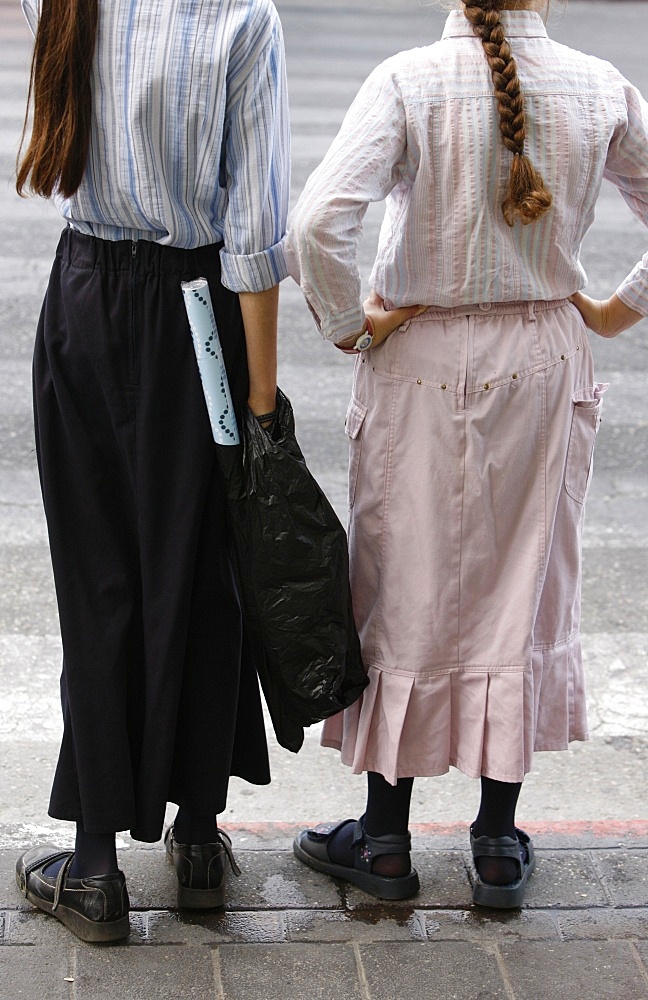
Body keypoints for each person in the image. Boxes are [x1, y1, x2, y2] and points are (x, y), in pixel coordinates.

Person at [286, 0, 647, 907]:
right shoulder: (600, 85)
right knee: (521, 587)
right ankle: (494, 842)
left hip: (421, 356)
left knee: (400, 585)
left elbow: (318, 220)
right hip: (542, 358)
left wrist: (344, 324)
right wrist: (613, 308)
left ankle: (383, 842)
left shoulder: (409, 79)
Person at [14, 0, 290, 941]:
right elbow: (254, 236)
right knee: (202, 574)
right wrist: (262, 407)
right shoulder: (244, 19)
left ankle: (94, 869)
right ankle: (201, 841)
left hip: (84, 298)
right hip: (196, 315)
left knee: (97, 586)